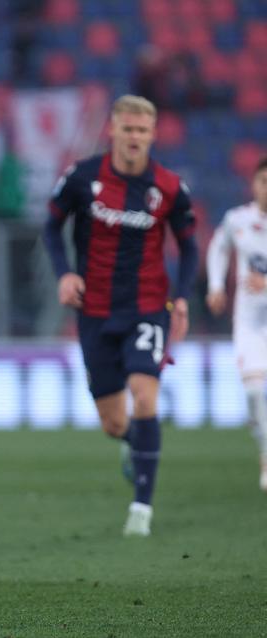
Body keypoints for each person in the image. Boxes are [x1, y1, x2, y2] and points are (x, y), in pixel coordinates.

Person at [42, 94, 198, 537]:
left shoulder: (168, 186)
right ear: (112, 129)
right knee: (114, 424)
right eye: (127, 129)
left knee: (145, 395)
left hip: (148, 307)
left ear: (152, 134)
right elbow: (52, 225)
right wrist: (64, 273)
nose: (134, 137)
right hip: (93, 311)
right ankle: (135, 446)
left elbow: (189, 246)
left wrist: (182, 298)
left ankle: (141, 510)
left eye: (142, 131)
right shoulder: (83, 176)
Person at [206, 156, 267, 492]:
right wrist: (216, 286)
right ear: (254, 184)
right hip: (250, 323)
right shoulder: (237, 220)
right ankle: (265, 455)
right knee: (255, 392)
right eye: (263, 181)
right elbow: (218, 247)